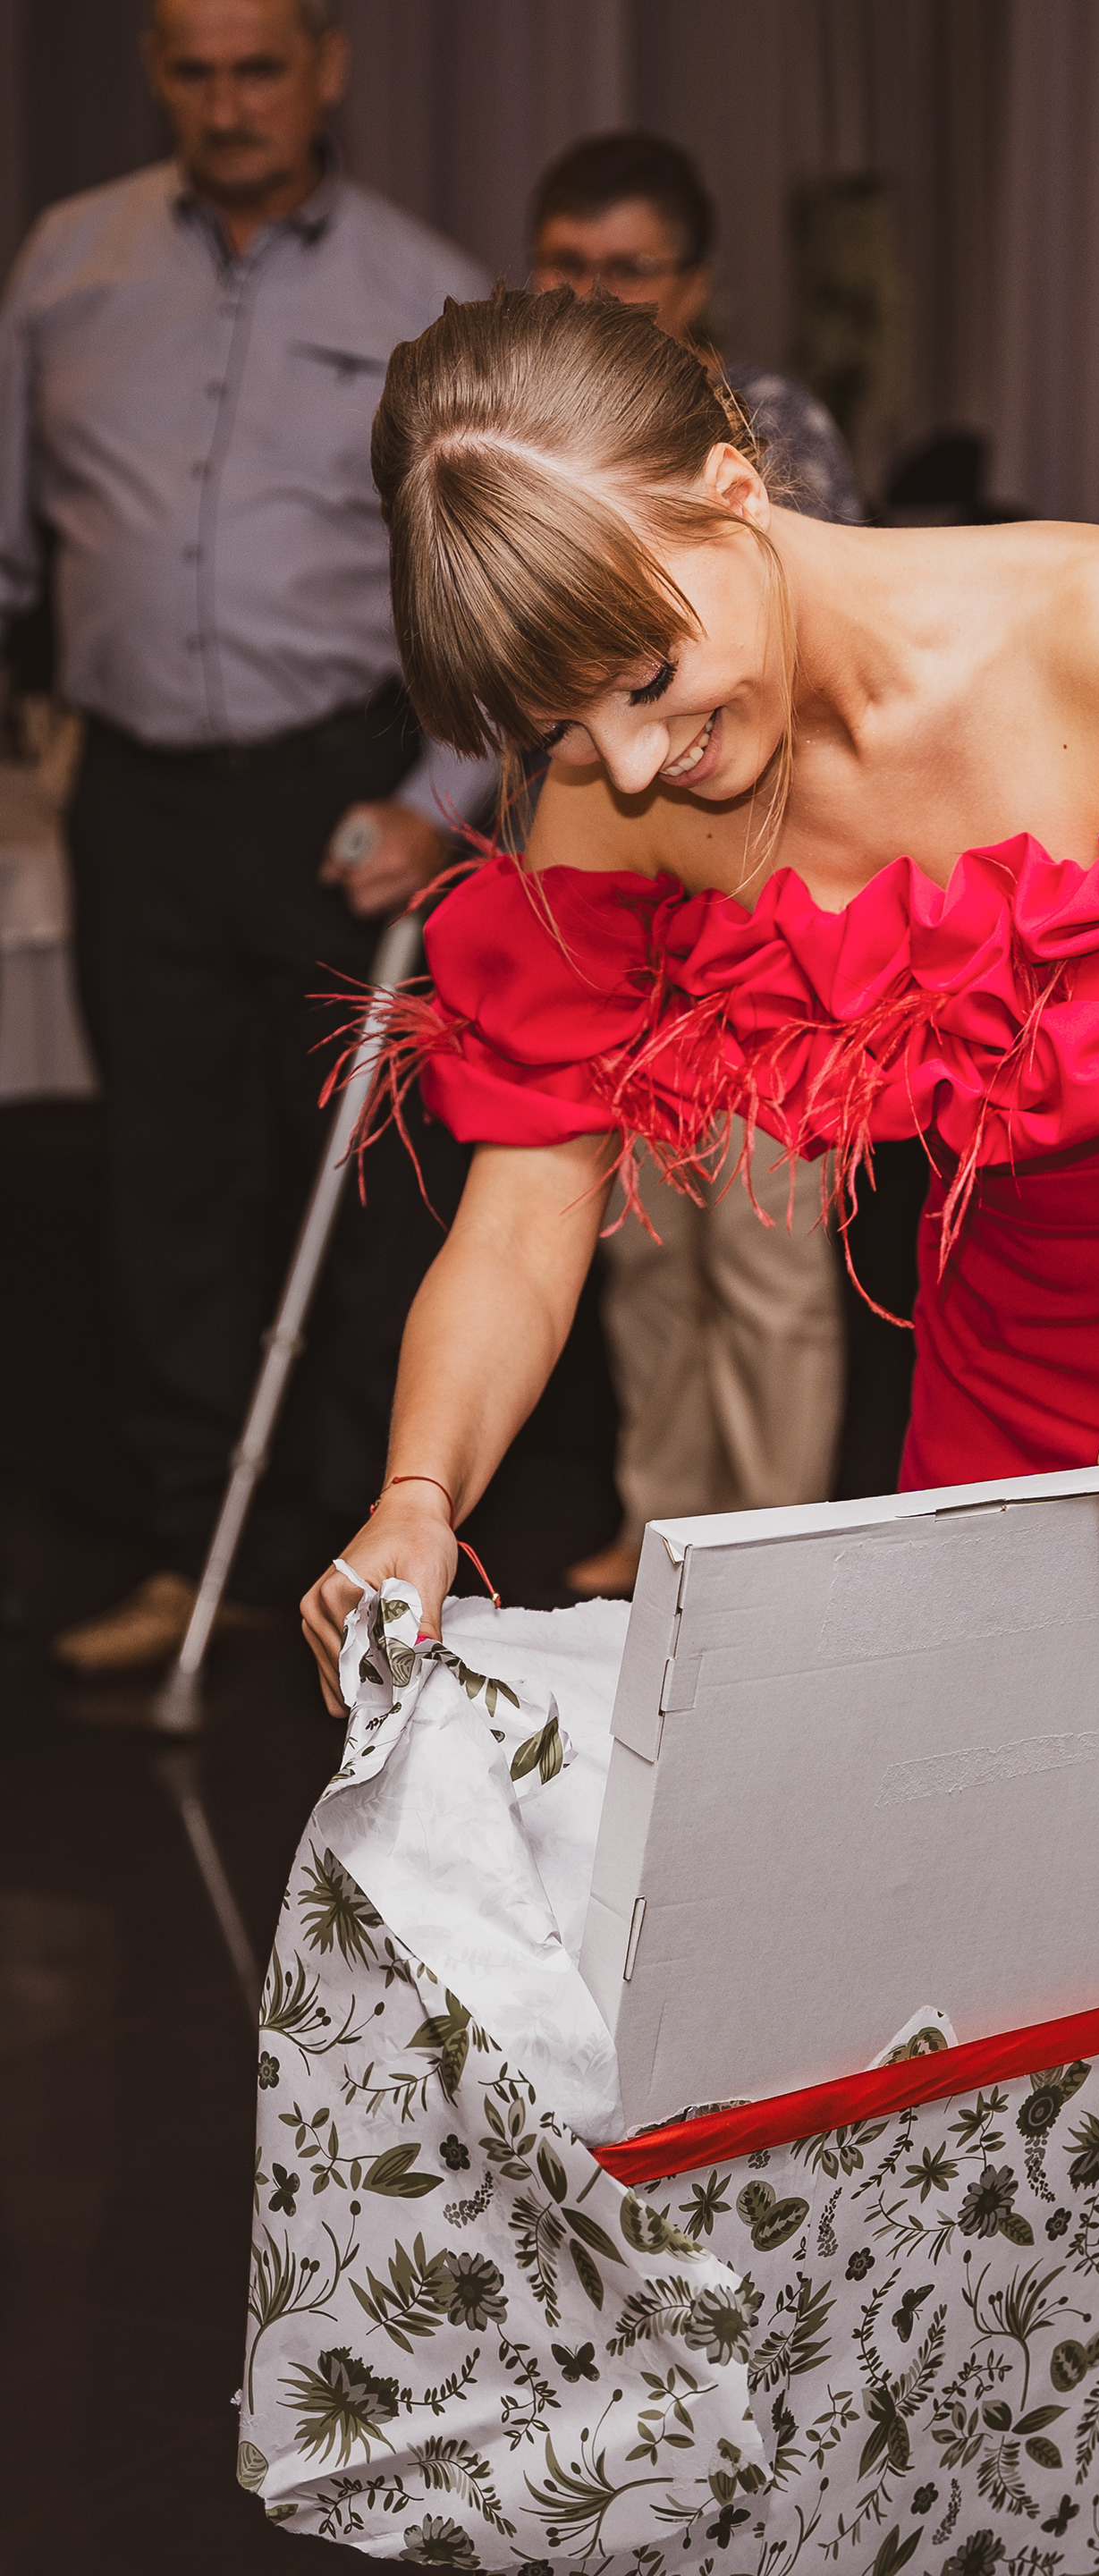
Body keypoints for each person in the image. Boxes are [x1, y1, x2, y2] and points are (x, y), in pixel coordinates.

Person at [301, 289, 1099, 2571]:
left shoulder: (1097, 631)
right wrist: (420, 1495)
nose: (636, 761)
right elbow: (523, 1217)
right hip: (1020, 1403)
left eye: (652, 673)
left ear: (737, 484)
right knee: (1005, 2065)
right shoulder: (612, 778)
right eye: (571, 723)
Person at [0, 0, 495, 1669]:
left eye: (260, 68)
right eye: (195, 72)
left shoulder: (419, 290)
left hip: (337, 790)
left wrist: (435, 806)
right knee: (169, 1176)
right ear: (157, 72)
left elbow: (484, 587)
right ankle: (186, 1554)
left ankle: (366, 1561)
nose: (229, 104)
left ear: (326, 66)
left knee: (361, 1190)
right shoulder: (65, 264)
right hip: (133, 793)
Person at [524, 131, 861, 1597]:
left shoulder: (773, 428)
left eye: (632, 268)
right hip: (621, 909)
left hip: (776, 904)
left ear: (698, 279)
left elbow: (823, 674)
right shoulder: (528, 445)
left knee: (768, 1249)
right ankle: (660, 1528)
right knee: (640, 1239)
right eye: (569, 265)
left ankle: (770, 1557)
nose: (599, 294)